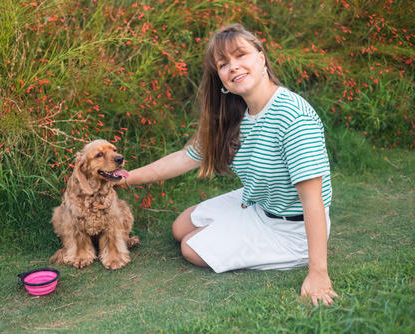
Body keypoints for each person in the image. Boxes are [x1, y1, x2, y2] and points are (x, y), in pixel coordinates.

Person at [118, 23, 339, 306]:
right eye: (223, 64)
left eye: (240, 55)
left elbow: (313, 201)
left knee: (189, 248)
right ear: (220, 77)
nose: (233, 67)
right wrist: (127, 177)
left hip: (291, 229)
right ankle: (239, 227)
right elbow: (184, 157)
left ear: (261, 58)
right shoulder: (235, 114)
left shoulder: (294, 117)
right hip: (260, 203)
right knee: (180, 227)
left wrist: (318, 273)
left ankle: (284, 252)